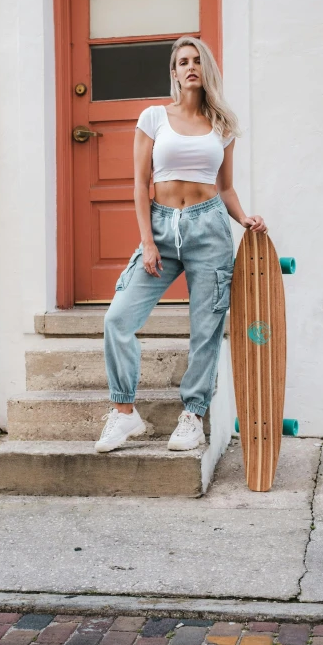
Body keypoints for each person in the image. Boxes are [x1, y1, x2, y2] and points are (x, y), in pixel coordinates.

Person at [95, 36, 267, 453]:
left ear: (205, 69)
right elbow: (139, 184)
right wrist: (147, 243)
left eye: (196, 61)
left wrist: (243, 217)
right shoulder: (153, 117)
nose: (189, 67)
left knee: (205, 330)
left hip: (209, 229)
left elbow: (224, 187)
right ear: (173, 73)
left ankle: (192, 415)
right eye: (182, 62)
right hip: (161, 227)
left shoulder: (223, 126)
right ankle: (124, 414)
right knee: (117, 319)